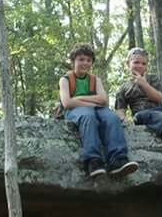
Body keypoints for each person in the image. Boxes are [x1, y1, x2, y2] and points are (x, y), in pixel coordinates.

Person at [59, 43, 139, 178]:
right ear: (73, 61)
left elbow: (103, 100)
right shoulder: (65, 79)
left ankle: (118, 160)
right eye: (81, 59)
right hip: (75, 111)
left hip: (97, 108)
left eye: (88, 60)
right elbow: (67, 102)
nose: (85, 63)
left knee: (112, 118)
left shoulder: (95, 80)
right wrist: (91, 100)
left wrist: (79, 98)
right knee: (88, 116)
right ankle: (93, 161)